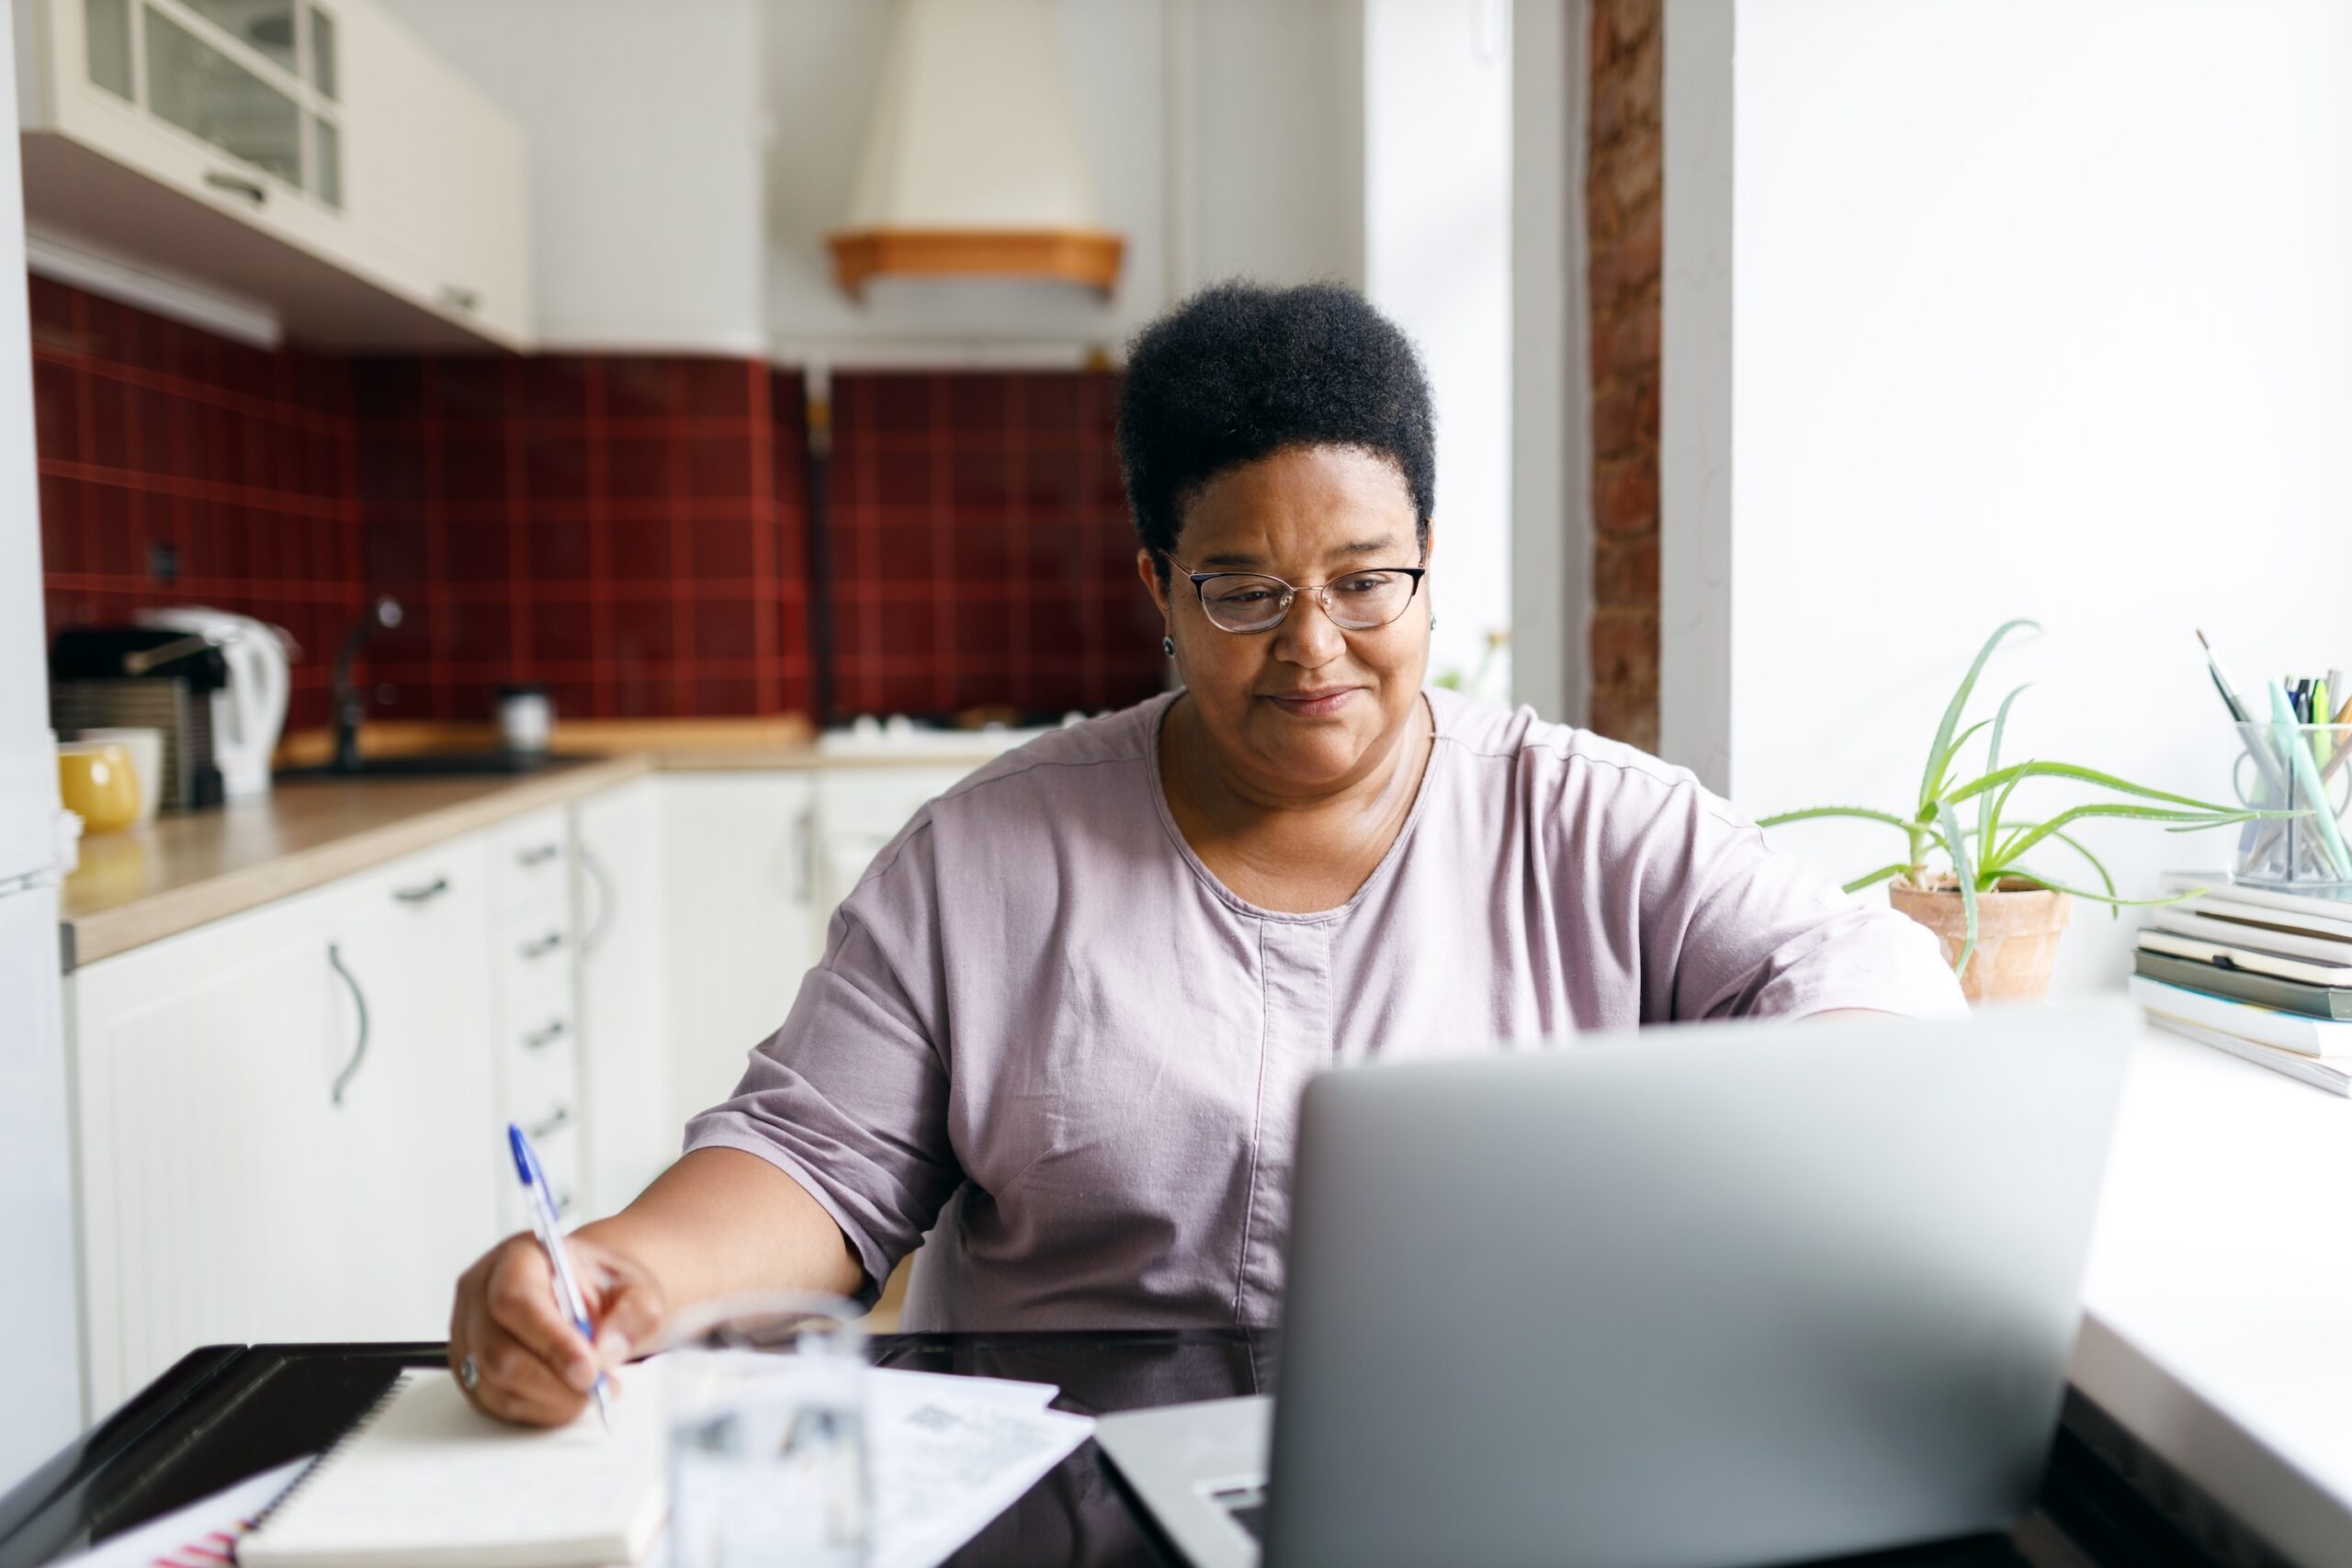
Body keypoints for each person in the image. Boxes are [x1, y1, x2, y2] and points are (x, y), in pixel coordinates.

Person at [447, 280, 1964, 1426]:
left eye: (1369, 582)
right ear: (1158, 590)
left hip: (1474, 1455)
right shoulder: (986, 856)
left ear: (1431, 566)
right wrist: (626, 1273)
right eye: (1242, 592)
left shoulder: (1587, 817)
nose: (1316, 649)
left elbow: (1859, 978)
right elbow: (812, 1162)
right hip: (1064, 1481)